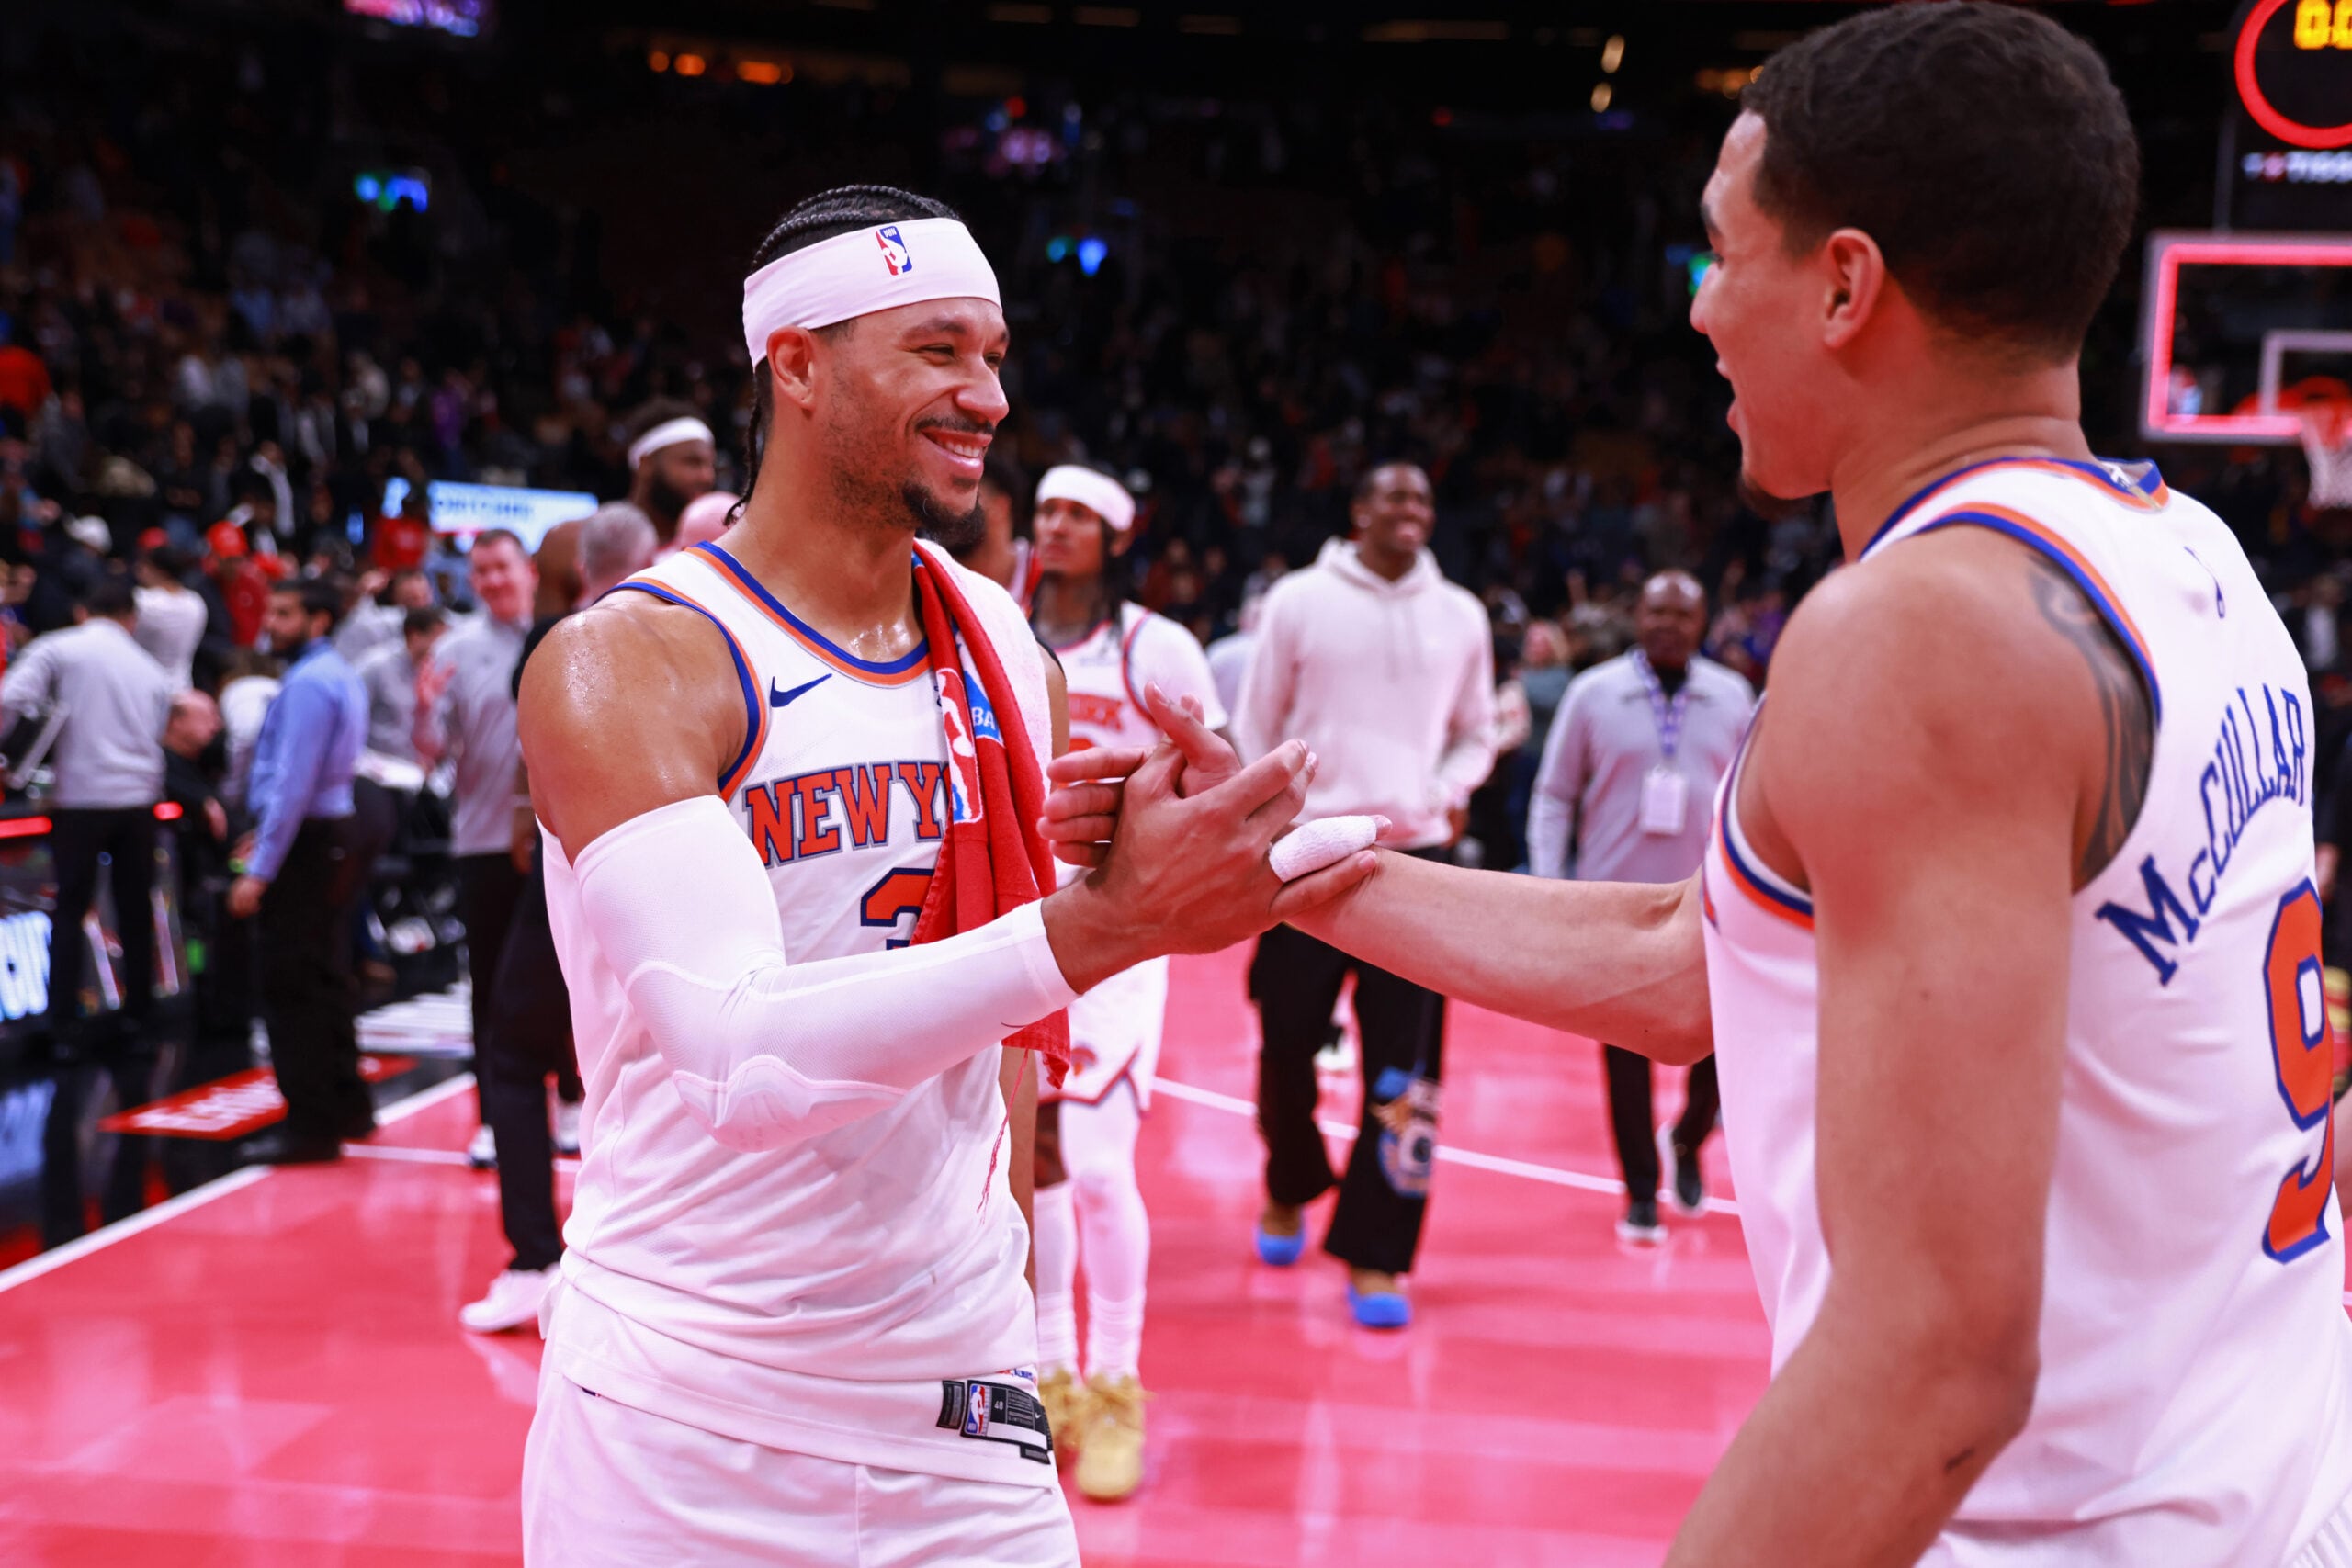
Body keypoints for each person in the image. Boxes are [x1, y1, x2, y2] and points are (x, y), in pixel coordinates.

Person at [1056, 7, 2352, 1561]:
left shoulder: (1925, 630)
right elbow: (1704, 960)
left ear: (1847, 284)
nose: (1702, 311)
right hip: (2267, 1476)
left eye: (1722, 252)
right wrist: (1269, 866)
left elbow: (1933, 1363)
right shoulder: (2185, 551)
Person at [513, 184, 1352, 1567]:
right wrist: (1100, 928)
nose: (987, 395)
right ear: (796, 363)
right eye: (939, 349)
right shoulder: (633, 661)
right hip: (686, 1408)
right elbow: (740, 1065)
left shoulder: (1004, 647)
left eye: (996, 355)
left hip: (958, 1400)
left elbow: (1004, 1025)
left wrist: (1012, 1294)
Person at [1230, 459, 1496, 1327]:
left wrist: (1449, 787)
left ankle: (1379, 1255)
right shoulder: (1299, 599)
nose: (1411, 508)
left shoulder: (1461, 614)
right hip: (1304, 857)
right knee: (1284, 1046)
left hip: (1415, 859)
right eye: (1393, 495)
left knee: (1406, 1073)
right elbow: (1257, 721)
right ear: (1359, 511)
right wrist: (1270, 814)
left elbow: (1477, 730)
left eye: (1423, 495)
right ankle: (1289, 1177)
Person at [1024, 462, 1225, 1501]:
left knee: (1101, 1167)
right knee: (1039, 1162)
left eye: (1075, 516)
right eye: (1045, 511)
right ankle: (1051, 1371)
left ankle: (1118, 1386)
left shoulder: (1158, 646)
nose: (1053, 527)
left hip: (1115, 933)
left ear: (1113, 535)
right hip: (1011, 922)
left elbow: (1214, 768)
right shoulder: (993, 616)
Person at [461, 503, 654, 1334]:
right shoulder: (708, 621)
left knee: (512, 1052)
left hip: (590, 870)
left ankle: (538, 1256)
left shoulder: (571, 642)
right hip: (693, 877)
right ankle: (644, 1263)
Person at [1527, 571, 1753, 1242]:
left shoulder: (1733, 696)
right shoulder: (1593, 693)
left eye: (1684, 614)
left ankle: (1686, 1137)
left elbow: (1750, 801)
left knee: (1719, 1052)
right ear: (1637, 614)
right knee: (1624, 1054)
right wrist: (1550, 883)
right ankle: (1640, 1189)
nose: (1668, 625)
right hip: (1613, 904)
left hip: (1708, 904)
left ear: (1704, 620)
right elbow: (1555, 794)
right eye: (1657, 611)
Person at [1, 575, 173, 1055]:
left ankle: (63, 1029)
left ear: (83, 611)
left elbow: (9, 698)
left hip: (80, 799)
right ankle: (141, 1019)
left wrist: (14, 759)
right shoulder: (150, 666)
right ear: (130, 619)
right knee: (137, 910)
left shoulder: (60, 648)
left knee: (71, 910)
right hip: (139, 800)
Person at [231, 577, 371, 1164]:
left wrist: (260, 868)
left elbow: (292, 784)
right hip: (330, 830)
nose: (272, 624)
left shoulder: (310, 682)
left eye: (286, 613)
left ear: (318, 620)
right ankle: (348, 1105)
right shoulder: (337, 672)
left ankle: (311, 1126)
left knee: (292, 985)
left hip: (306, 841)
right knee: (324, 973)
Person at [415, 528, 537, 1167]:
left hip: (556, 840)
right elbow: (430, 754)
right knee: (488, 983)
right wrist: (423, 711)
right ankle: (493, 1118)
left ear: (529, 569)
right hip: (483, 840)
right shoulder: (457, 649)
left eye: (501, 567)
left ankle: (571, 1099)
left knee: (569, 981)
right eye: (480, 571)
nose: (491, 580)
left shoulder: (565, 629)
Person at [533, 402, 717, 615]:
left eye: (710, 465)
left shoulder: (716, 549)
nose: (707, 476)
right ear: (645, 463)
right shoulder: (569, 542)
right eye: (692, 463)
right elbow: (542, 642)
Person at [354, 606, 443, 765]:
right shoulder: (375, 666)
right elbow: (352, 718)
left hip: (421, 769)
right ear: (415, 636)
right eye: (438, 639)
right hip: (376, 767)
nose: (444, 646)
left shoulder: (439, 670)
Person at [132, 544, 208, 690]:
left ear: (159, 571)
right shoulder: (196, 602)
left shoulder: (142, 601)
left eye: (144, 566)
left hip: (144, 686)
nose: (138, 571)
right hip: (182, 686)